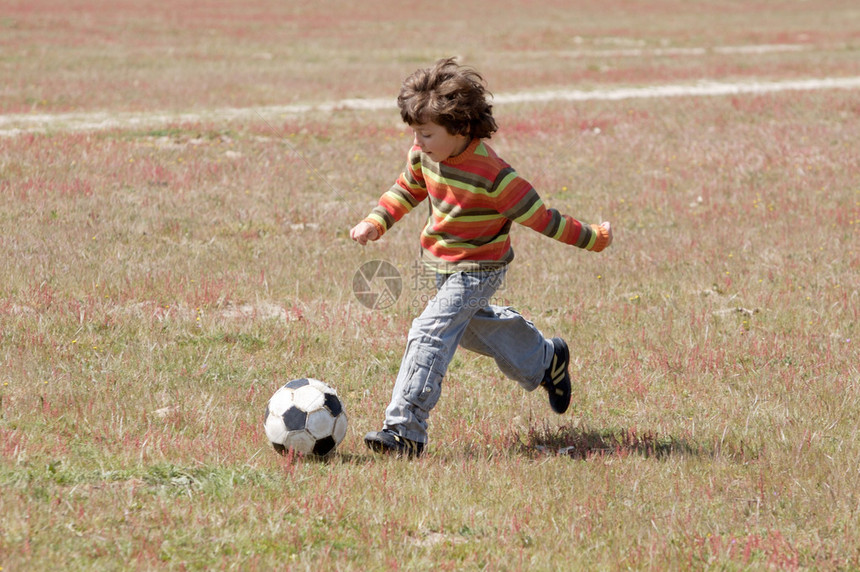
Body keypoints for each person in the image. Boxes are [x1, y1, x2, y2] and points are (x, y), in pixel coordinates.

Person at [350, 57, 613, 457]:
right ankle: (547, 360)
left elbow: (543, 219)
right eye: (415, 133)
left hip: (479, 270)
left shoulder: (496, 177)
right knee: (472, 329)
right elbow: (407, 188)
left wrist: (591, 237)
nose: (417, 143)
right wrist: (377, 221)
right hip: (441, 266)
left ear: (460, 127)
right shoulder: (424, 156)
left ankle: (405, 430)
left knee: (431, 331)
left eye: (426, 133)